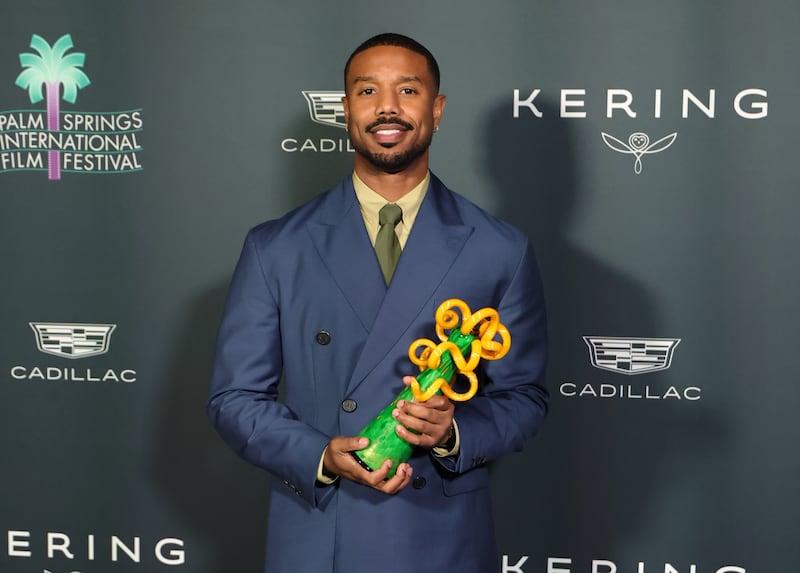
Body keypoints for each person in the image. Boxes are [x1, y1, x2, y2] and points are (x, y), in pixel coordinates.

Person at [208, 32, 548, 573]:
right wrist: (320, 456)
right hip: (320, 535)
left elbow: (524, 399)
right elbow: (234, 399)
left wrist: (452, 432)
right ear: (346, 111)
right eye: (367, 91)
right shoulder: (276, 246)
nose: (387, 107)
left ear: (436, 110)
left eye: (407, 90)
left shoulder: (498, 247)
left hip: (442, 539)